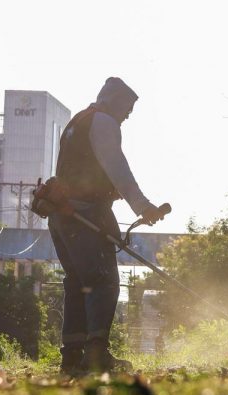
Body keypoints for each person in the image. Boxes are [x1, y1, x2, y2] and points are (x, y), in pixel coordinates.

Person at [47, 77, 164, 373]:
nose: (128, 115)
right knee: (104, 281)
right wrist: (143, 206)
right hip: (84, 214)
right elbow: (117, 169)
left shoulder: (79, 121)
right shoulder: (103, 122)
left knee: (78, 282)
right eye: (127, 108)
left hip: (62, 214)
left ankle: (72, 356)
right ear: (113, 100)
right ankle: (97, 354)